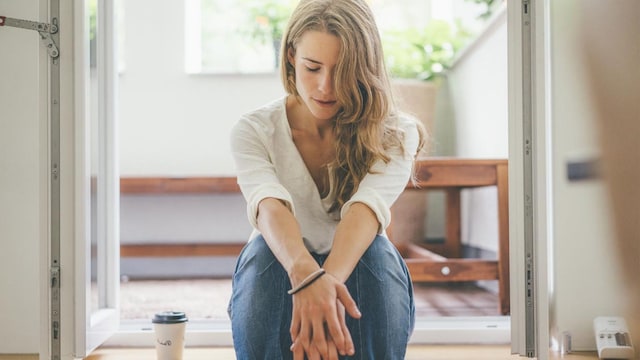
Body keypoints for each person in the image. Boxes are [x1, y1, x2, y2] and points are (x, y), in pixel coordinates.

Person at [228, 0, 426, 358]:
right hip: (280, 274)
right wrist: (306, 276)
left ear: (365, 68)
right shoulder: (253, 130)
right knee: (264, 251)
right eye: (312, 67)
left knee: (375, 252)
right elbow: (268, 207)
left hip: (359, 279)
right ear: (290, 56)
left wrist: (326, 285)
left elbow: (364, 213)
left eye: (343, 71)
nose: (326, 87)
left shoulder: (396, 132)